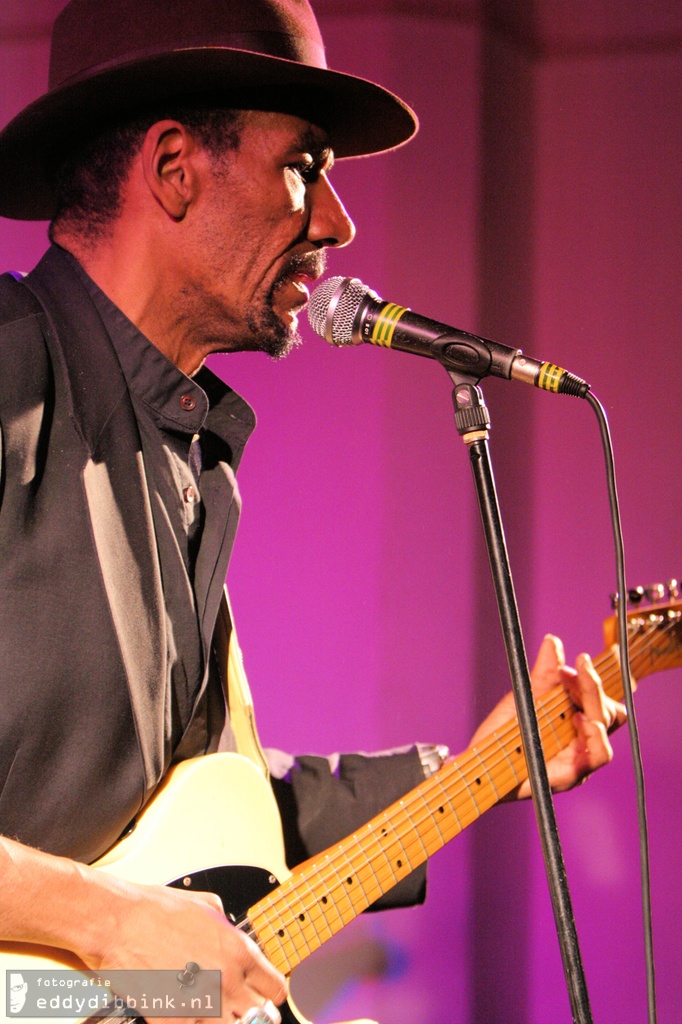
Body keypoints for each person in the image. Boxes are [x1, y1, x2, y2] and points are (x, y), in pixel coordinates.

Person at [0, 1, 625, 1022]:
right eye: (305, 164)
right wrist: (106, 919)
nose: (335, 220)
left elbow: (211, 834)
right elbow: (132, 909)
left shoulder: (189, 457)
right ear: (172, 170)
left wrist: (478, 770)